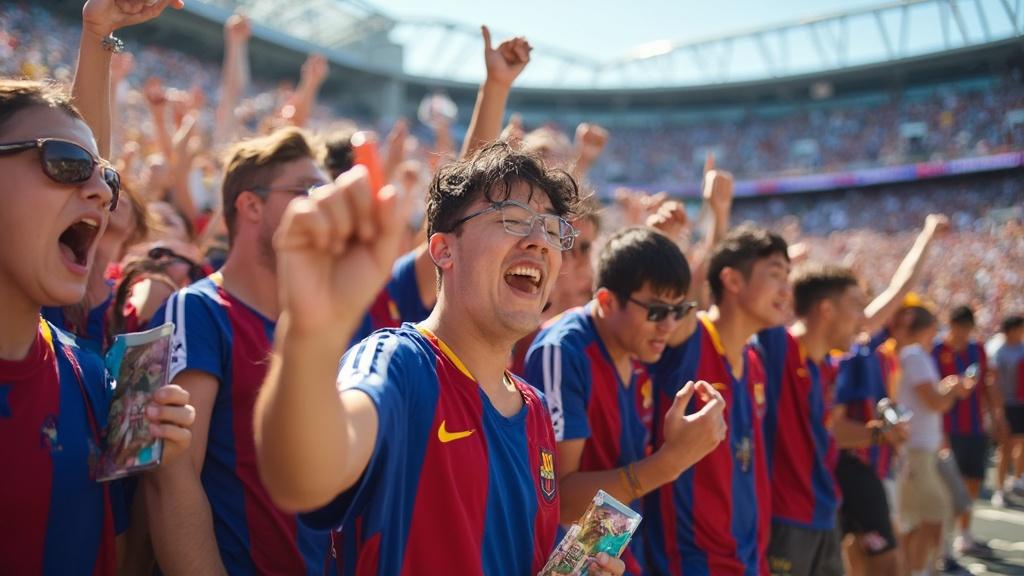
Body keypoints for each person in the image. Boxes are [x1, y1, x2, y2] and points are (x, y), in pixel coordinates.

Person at [253, 141, 625, 575]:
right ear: (443, 250)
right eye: (513, 220)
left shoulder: (536, 408)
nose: (540, 242)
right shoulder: (400, 363)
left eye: (552, 228)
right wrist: (308, 334)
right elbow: (301, 478)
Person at [0, 2, 194, 572]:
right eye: (62, 163)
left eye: (108, 179)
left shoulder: (90, 375)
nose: (104, 193)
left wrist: (167, 466)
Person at [144, 127, 332, 574]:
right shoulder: (197, 310)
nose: (324, 206)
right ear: (251, 205)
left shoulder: (321, 323)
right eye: (309, 191)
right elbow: (170, 478)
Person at [525, 226, 726, 573]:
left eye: (679, 310)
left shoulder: (641, 346)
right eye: (656, 311)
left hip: (618, 554)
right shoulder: (562, 351)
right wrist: (670, 462)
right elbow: (557, 501)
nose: (668, 325)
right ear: (606, 301)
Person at [645, 224, 791, 575]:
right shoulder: (692, 338)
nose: (787, 290)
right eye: (775, 275)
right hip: (692, 563)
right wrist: (717, 215)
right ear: (733, 280)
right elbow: (676, 305)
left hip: (749, 559)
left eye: (789, 276)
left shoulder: (754, 363)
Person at [893, 306, 972, 576]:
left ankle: (915, 569)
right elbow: (934, 401)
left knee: (921, 517)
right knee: (931, 514)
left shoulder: (916, 355)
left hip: (921, 448)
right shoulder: (915, 355)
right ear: (928, 329)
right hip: (916, 449)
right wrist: (952, 390)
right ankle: (916, 570)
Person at [931, 305, 1003, 555]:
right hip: (945, 428)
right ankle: (943, 544)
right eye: (958, 328)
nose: (962, 334)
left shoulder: (977, 350)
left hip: (974, 426)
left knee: (973, 480)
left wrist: (997, 416)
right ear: (949, 325)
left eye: (966, 329)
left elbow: (987, 385)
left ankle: (964, 534)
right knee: (946, 485)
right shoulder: (936, 350)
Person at [992, 314, 1024, 507]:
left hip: (1021, 404)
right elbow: (993, 381)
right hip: (1006, 404)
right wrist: (997, 411)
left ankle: (1018, 481)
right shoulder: (999, 351)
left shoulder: (1022, 349)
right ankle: (999, 488)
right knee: (1006, 447)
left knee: (1022, 444)